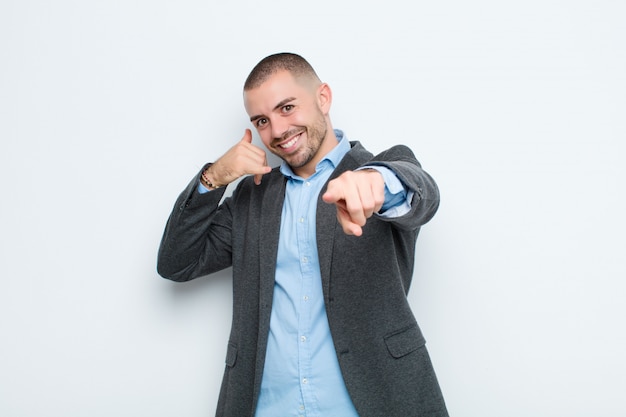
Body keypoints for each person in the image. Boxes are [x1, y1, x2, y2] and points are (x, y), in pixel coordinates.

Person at [157, 52, 448, 417]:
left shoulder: (376, 170)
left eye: (287, 107)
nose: (277, 131)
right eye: (262, 120)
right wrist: (212, 178)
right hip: (266, 406)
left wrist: (377, 181)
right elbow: (176, 263)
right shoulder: (252, 196)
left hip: (376, 400)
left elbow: (423, 193)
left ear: (323, 98)